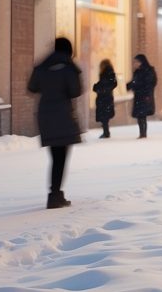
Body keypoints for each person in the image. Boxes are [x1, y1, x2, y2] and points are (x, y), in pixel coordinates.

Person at [28, 37, 83, 209]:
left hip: (45, 115)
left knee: (55, 156)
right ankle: (54, 195)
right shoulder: (68, 68)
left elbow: (32, 87)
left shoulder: (43, 66)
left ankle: (56, 193)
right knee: (61, 157)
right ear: (69, 50)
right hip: (63, 115)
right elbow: (75, 91)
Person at [126, 54, 156, 138]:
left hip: (145, 96)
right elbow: (134, 82)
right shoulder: (137, 72)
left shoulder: (149, 70)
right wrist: (128, 86)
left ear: (141, 62)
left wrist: (138, 86)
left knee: (142, 115)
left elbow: (150, 83)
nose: (134, 64)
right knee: (140, 115)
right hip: (138, 96)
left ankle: (143, 133)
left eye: (136, 62)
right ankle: (142, 133)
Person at [93, 59, 117, 138]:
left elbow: (108, 84)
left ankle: (106, 132)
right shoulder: (108, 73)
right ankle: (105, 131)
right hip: (106, 97)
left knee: (104, 116)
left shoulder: (107, 73)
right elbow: (110, 84)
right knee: (104, 116)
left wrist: (99, 88)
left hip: (104, 98)